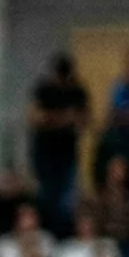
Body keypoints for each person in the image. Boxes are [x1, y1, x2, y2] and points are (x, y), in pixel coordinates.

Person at [28, 54, 91, 214]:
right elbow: (35, 118)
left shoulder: (77, 91)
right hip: (44, 152)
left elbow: (84, 121)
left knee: (66, 200)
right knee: (45, 196)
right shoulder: (44, 90)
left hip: (67, 152)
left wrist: (52, 119)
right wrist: (64, 118)